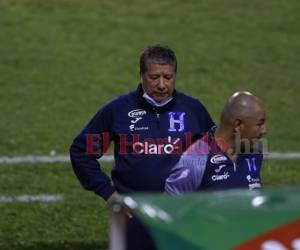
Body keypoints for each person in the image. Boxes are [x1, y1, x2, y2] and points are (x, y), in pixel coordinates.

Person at [69, 44, 214, 250]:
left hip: (182, 213)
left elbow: (215, 155)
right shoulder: (118, 111)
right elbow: (82, 151)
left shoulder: (193, 110)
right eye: (154, 78)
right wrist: (108, 193)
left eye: (168, 77)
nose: (162, 85)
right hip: (133, 215)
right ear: (141, 75)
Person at [165, 91, 267, 194]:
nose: (264, 131)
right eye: (259, 124)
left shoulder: (254, 153)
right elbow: (171, 205)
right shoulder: (196, 159)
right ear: (238, 125)